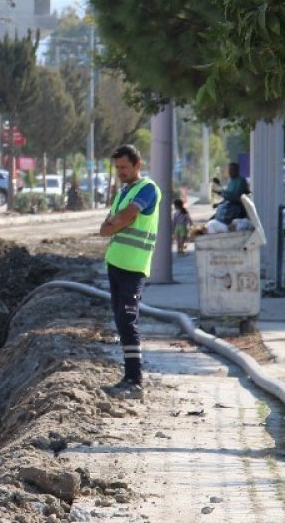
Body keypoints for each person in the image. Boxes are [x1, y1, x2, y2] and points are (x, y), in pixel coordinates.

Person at [98, 144, 161, 400]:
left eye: (124, 167)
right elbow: (105, 228)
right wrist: (117, 222)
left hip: (133, 266)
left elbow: (126, 217)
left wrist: (117, 222)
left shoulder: (148, 188)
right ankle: (128, 377)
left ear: (138, 165)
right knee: (121, 322)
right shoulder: (123, 193)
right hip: (115, 264)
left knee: (127, 319)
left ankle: (135, 380)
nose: (120, 172)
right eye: (117, 168)